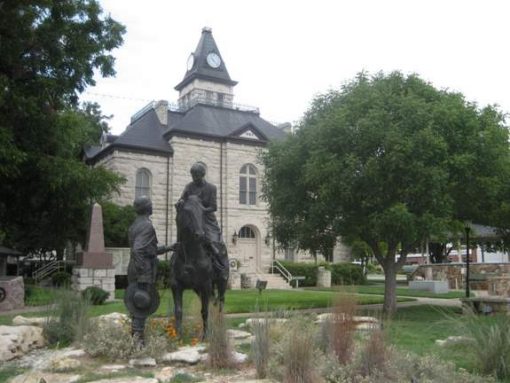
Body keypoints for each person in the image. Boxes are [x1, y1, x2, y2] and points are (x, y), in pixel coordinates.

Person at [127, 196, 171, 344]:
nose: (152, 206)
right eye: (150, 204)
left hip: (134, 268)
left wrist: (169, 248)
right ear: (146, 208)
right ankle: (138, 343)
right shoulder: (146, 225)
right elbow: (138, 250)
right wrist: (143, 272)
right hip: (141, 271)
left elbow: (149, 250)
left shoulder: (135, 224)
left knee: (136, 306)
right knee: (141, 304)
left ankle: (136, 339)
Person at [175, 162, 228, 279]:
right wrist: (180, 202)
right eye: (192, 175)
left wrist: (201, 210)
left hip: (207, 219)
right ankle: (178, 259)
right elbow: (182, 199)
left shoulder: (211, 188)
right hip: (193, 220)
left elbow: (214, 207)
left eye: (196, 175)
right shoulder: (189, 187)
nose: (194, 178)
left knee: (215, 242)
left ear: (202, 174)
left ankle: (221, 266)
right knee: (183, 236)